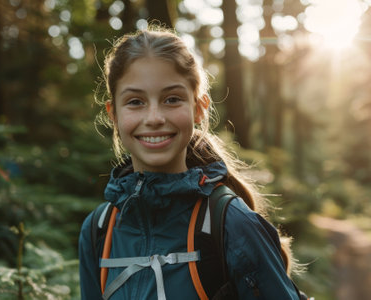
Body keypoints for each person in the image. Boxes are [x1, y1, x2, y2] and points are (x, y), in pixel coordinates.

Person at [78, 26, 301, 300]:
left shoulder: (232, 224)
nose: (154, 117)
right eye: (135, 102)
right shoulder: (99, 232)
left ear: (198, 108)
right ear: (113, 113)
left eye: (172, 99)